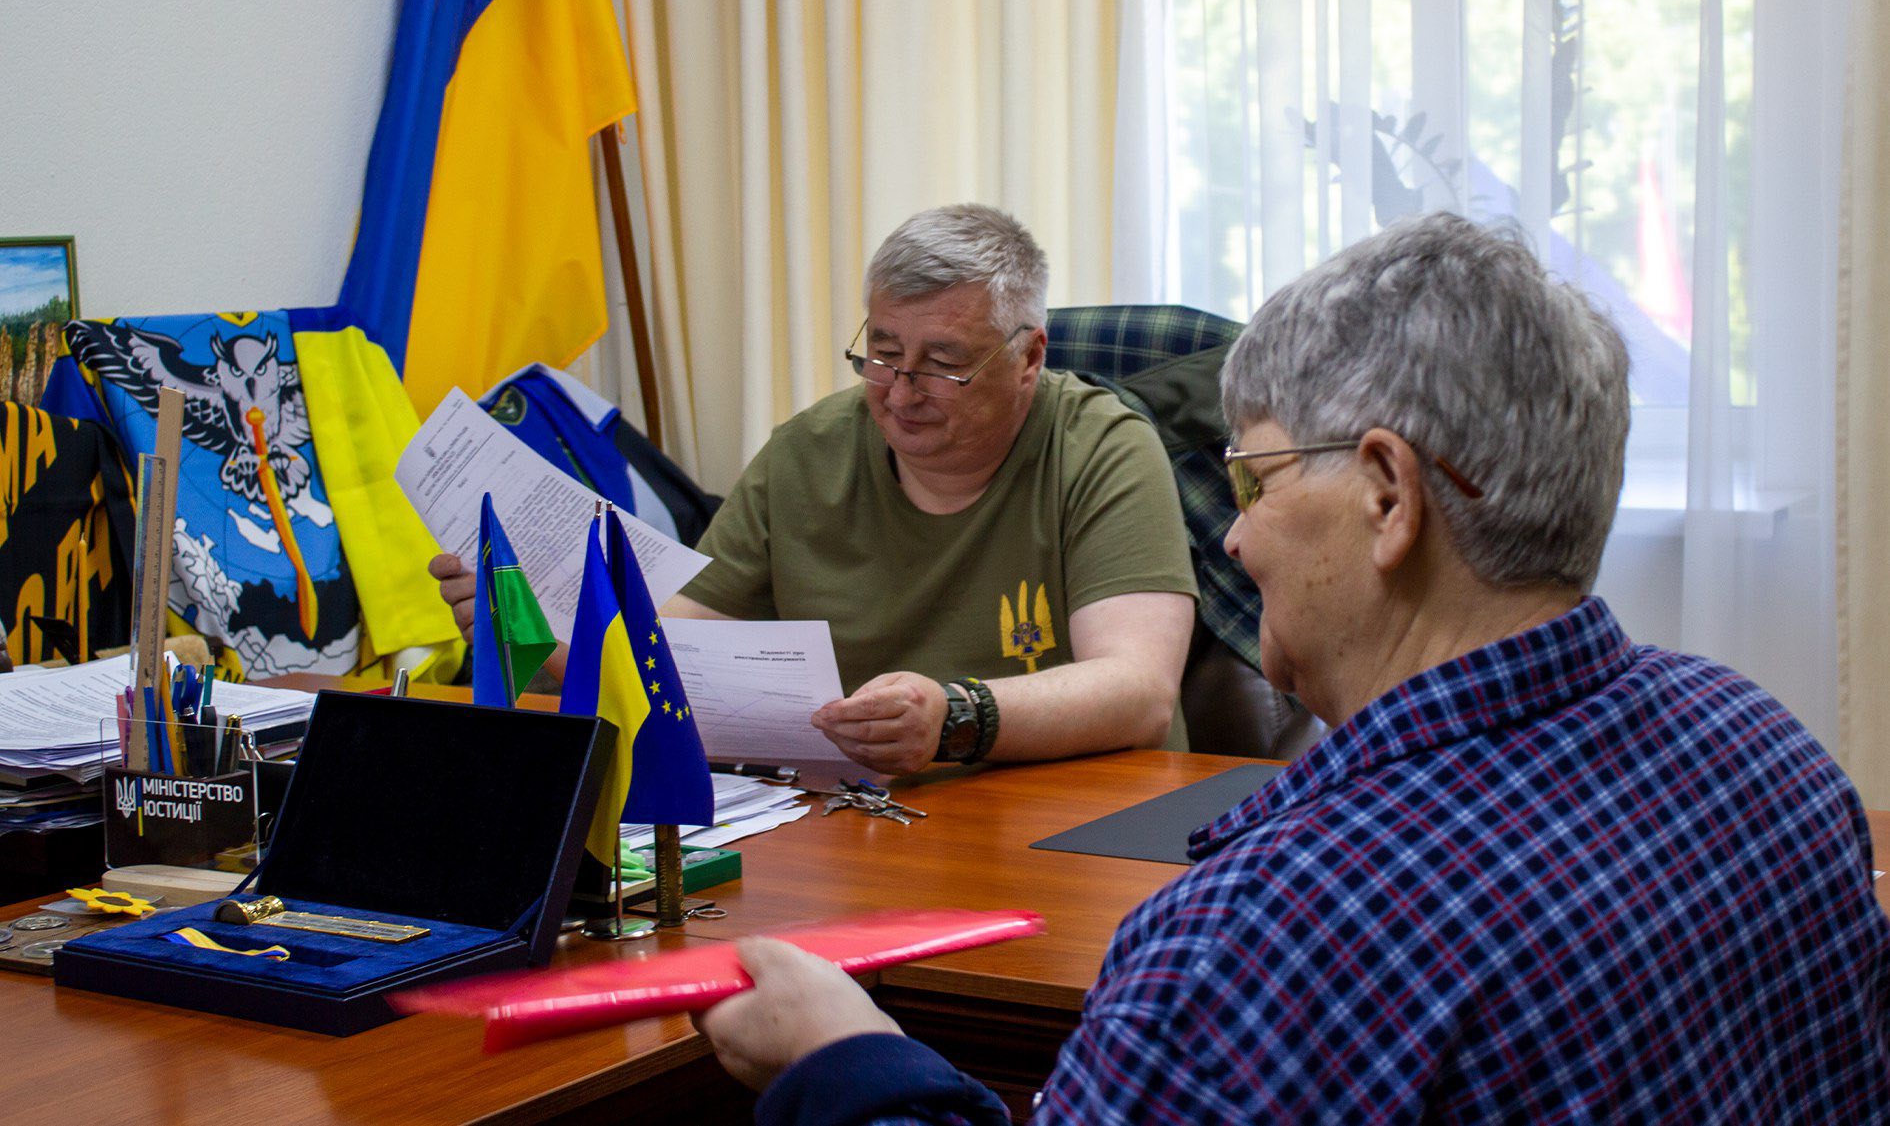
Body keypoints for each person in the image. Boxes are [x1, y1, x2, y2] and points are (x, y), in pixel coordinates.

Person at [693, 212, 1890, 1123]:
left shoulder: (1269, 935)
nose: (1236, 538)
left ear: (1387, 496)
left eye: (1257, 481)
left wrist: (846, 1060)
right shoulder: (1770, 750)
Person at [431, 204, 1198, 774]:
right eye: (882, 353)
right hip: (860, 819)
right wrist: (544, 628)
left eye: (942, 364)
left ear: (1029, 357)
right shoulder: (807, 453)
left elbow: (1138, 691)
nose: (901, 391)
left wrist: (956, 716)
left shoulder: (1101, 447)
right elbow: (669, 648)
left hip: (1070, 816)